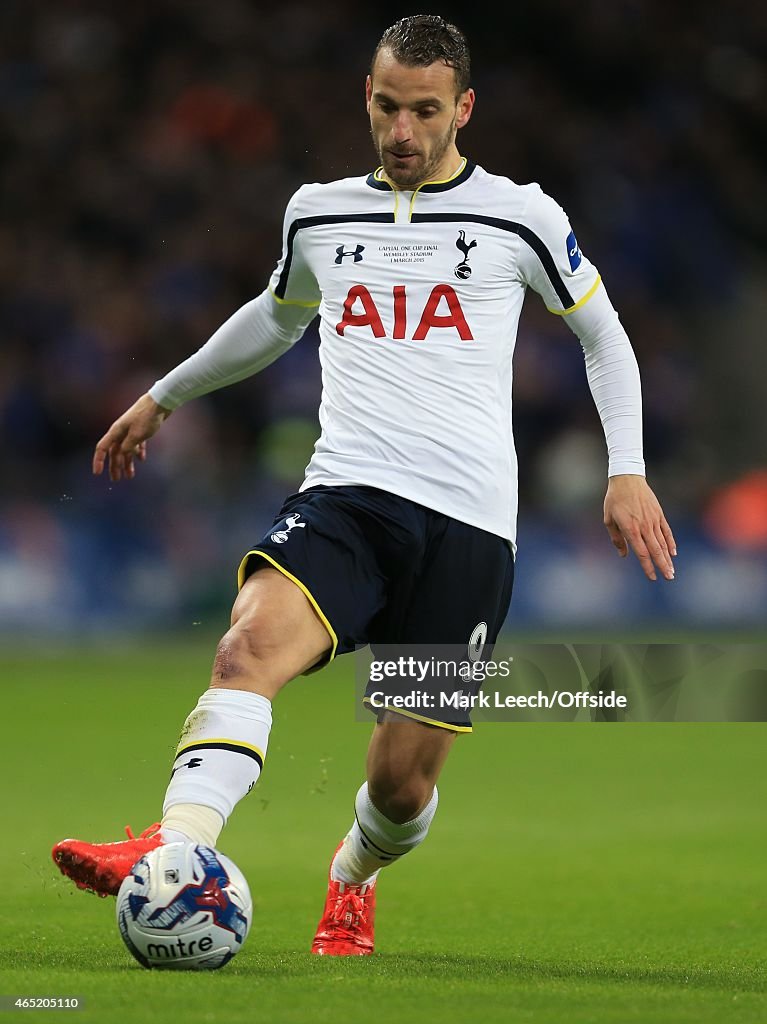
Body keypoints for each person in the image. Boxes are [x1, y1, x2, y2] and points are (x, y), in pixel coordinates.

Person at [52, 14, 676, 955]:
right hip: (347, 494)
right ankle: (173, 849)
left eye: (425, 111)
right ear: (368, 98)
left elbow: (603, 336)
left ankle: (353, 872)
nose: (401, 132)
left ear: (462, 108)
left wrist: (625, 470)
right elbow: (274, 317)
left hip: (467, 528)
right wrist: (163, 396)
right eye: (386, 107)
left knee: (400, 784)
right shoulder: (319, 211)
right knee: (245, 649)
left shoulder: (520, 215)